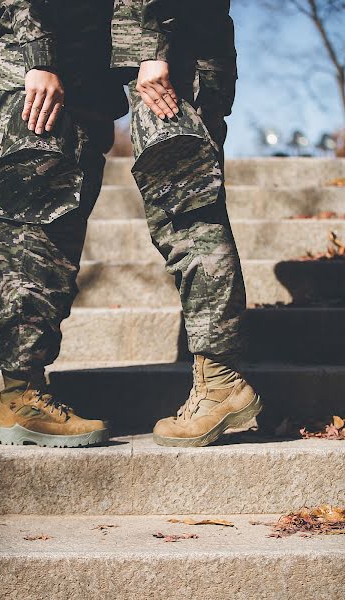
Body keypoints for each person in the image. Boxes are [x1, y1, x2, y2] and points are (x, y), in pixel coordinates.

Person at [110, 0, 263, 446]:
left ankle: (221, 385)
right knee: (184, 217)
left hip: (172, 59)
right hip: (173, 53)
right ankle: (217, 380)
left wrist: (154, 51)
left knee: (190, 222)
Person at [0, 0, 129, 447]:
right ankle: (21, 397)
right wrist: (38, 59)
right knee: (32, 248)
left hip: (78, 101)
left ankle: (26, 392)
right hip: (38, 88)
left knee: (54, 259)